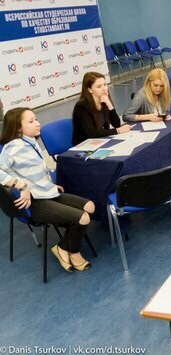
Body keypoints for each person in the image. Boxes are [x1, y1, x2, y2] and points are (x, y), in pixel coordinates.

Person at [0, 108, 95, 272]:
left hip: (47, 193)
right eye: (31, 121)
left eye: (36, 119)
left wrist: (48, 184)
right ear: (18, 128)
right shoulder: (13, 147)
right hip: (35, 203)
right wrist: (21, 186)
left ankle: (62, 247)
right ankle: (74, 252)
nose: (38, 123)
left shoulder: (30, 142)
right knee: (83, 218)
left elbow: (33, 171)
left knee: (90, 206)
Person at [72, 72, 131, 145]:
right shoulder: (81, 106)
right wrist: (117, 131)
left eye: (105, 84)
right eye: (99, 87)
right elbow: (92, 133)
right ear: (90, 90)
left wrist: (109, 104)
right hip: (85, 144)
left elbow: (117, 124)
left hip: (101, 140)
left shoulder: (104, 100)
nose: (104, 89)